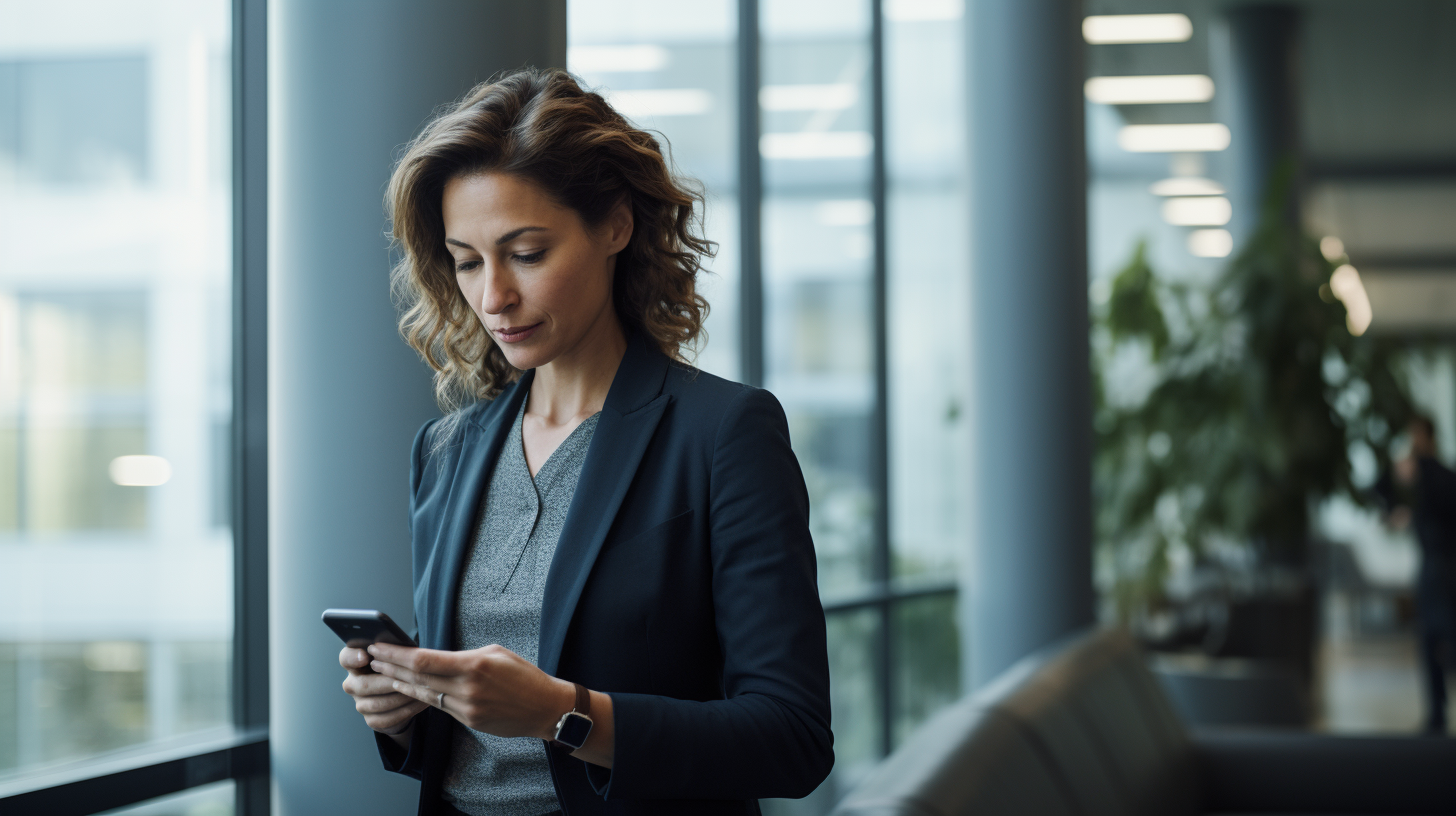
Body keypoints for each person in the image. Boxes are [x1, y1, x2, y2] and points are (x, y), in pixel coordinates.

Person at [335, 68, 833, 815]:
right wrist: (408, 707)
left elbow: (791, 740)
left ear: (615, 227)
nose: (493, 297)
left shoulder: (724, 434)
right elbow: (472, 748)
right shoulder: (446, 450)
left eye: (526, 253)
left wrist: (561, 713)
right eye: (468, 262)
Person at [1378, 415, 1456, 734]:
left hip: (1444, 570)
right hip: (1434, 568)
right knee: (1430, 642)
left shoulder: (1433, 475)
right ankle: (1436, 715)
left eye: (1415, 436)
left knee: (1441, 640)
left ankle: (1437, 715)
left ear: (1427, 437)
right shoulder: (1432, 477)